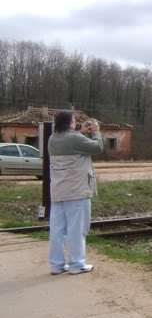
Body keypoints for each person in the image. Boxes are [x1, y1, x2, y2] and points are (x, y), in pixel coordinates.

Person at [48, 111, 103, 275]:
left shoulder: (53, 138)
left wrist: (80, 132)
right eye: (74, 121)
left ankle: (56, 265)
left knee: (58, 230)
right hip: (77, 191)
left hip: (58, 192)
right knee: (77, 229)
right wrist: (96, 132)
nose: (75, 123)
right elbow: (97, 147)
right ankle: (76, 264)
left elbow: (72, 141)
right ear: (69, 123)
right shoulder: (75, 139)